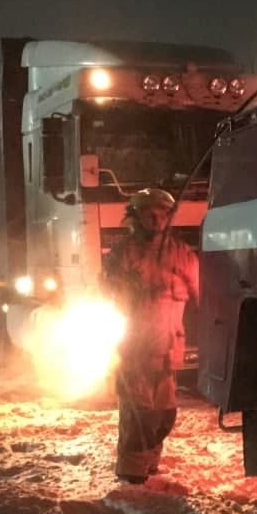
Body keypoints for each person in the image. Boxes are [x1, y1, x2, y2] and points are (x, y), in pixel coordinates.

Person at [101, 187, 199, 484]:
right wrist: (124, 287)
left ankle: (150, 463)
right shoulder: (123, 253)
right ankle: (131, 473)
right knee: (138, 413)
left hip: (169, 347)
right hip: (136, 349)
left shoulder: (182, 254)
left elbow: (203, 294)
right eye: (149, 214)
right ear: (136, 217)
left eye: (163, 214)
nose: (156, 219)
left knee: (164, 413)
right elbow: (107, 291)